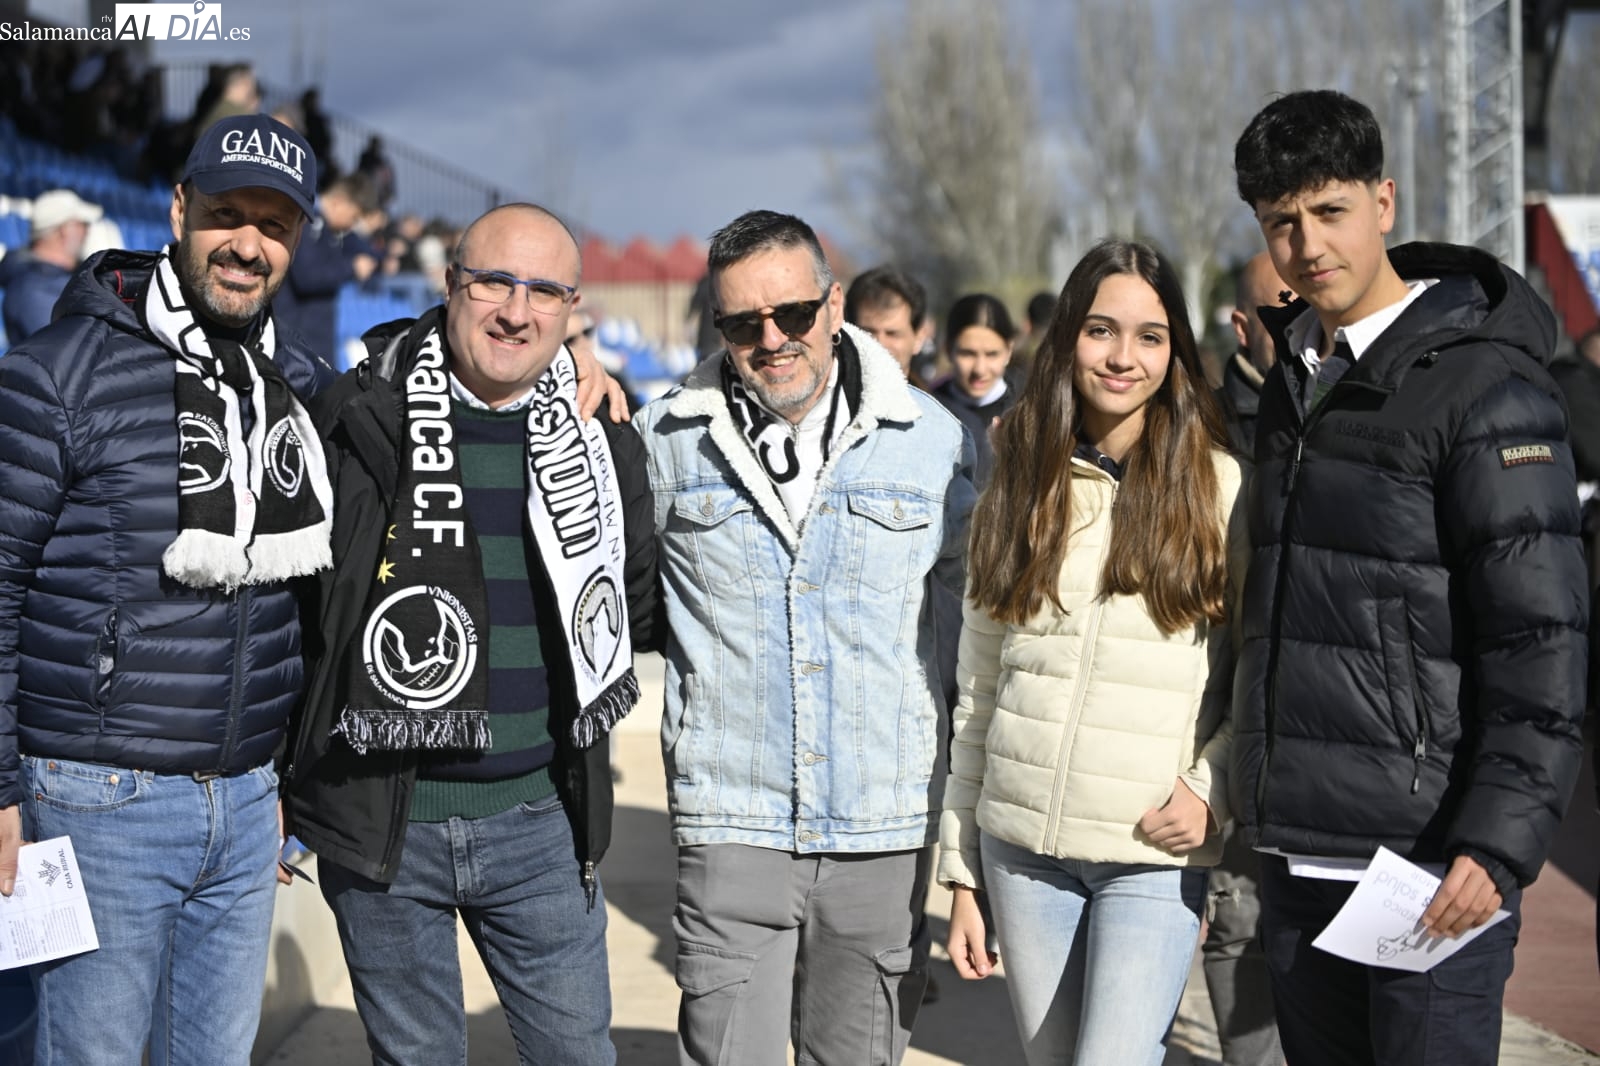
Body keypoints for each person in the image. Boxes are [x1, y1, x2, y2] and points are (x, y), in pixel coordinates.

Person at [1230, 89, 1588, 1066]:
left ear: (1383, 200)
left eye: (1329, 211)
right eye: (1280, 223)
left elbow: (1540, 640)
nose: (1306, 244)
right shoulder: (1289, 386)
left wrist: (1496, 843)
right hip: (1301, 856)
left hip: (1430, 861)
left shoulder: (1482, 384)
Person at [0, 113, 337, 1066]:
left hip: (244, 810)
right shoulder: (54, 375)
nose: (247, 245)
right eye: (227, 214)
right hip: (97, 804)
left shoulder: (295, 385)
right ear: (179, 209)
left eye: (274, 226)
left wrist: (567, 365)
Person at [284, 202, 647, 1066]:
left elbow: (632, 598)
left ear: (572, 308)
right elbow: (299, 616)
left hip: (540, 826)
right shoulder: (351, 416)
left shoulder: (603, 437)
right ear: (450, 285)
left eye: (545, 292)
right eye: (494, 281)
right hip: (383, 824)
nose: (516, 311)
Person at [633, 209, 975, 1066]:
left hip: (883, 831)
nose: (773, 340)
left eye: (792, 315)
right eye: (744, 324)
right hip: (731, 820)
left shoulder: (932, 440)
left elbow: (976, 640)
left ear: (832, 306)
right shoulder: (660, 440)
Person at [940, 239, 1245, 1066]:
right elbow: (978, 687)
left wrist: (1213, 787)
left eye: (1150, 336)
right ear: (1067, 337)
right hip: (1021, 852)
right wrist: (962, 869)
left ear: (1176, 350)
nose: (1122, 357)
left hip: (1150, 851)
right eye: (1101, 331)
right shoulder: (1016, 485)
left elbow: (1254, 672)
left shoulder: (1221, 488)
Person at [1202, 251, 1289, 1066]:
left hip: (1331, 719)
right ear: (1242, 326)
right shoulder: (1195, 425)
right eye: (1281, 311)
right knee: (1241, 924)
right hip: (1232, 712)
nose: (1303, 329)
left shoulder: (1356, 403)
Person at [273, 173, 380, 363]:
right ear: (339, 202)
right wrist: (352, 268)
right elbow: (307, 277)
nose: (351, 225)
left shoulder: (327, 230)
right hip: (298, 336)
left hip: (310, 336)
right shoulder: (309, 221)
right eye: (353, 217)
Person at [930, 292, 1021, 486]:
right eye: (968, 354)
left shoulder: (1029, 408)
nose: (979, 369)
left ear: (1009, 350)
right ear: (948, 350)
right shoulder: (929, 409)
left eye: (992, 354)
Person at [1214, 251, 1292, 457]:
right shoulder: (1205, 429)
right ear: (1242, 329)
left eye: (1313, 316)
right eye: (1286, 323)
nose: (1304, 335)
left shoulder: (1348, 410)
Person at [0, 189, 102, 343]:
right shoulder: (30, 289)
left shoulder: (59, 279)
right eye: (83, 225)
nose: (87, 232)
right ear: (64, 231)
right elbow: (69, 349)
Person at [844, 263, 934, 383]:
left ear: (918, 338)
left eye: (892, 334)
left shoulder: (926, 402)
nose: (880, 344)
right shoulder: (822, 400)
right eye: (868, 332)